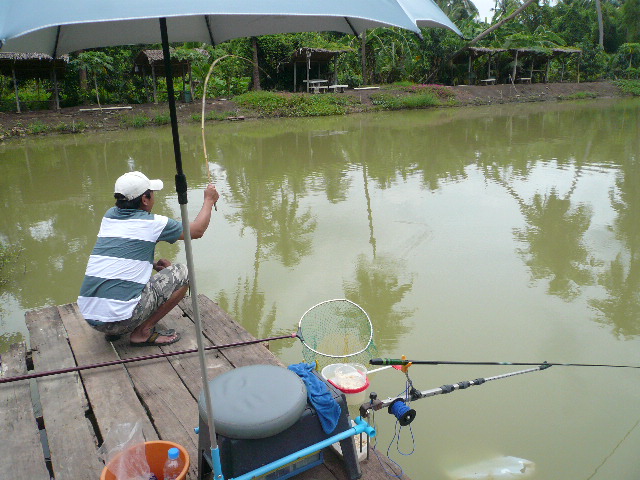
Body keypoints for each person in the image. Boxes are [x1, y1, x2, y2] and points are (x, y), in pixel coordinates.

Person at [78, 171, 219, 346]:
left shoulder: (109, 216)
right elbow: (197, 230)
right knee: (184, 272)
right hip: (120, 321)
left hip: (92, 318)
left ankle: (114, 329)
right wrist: (209, 200)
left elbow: (117, 253)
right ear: (145, 199)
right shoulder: (153, 223)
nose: (153, 198)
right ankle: (142, 332)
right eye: (151, 194)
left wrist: (150, 264)